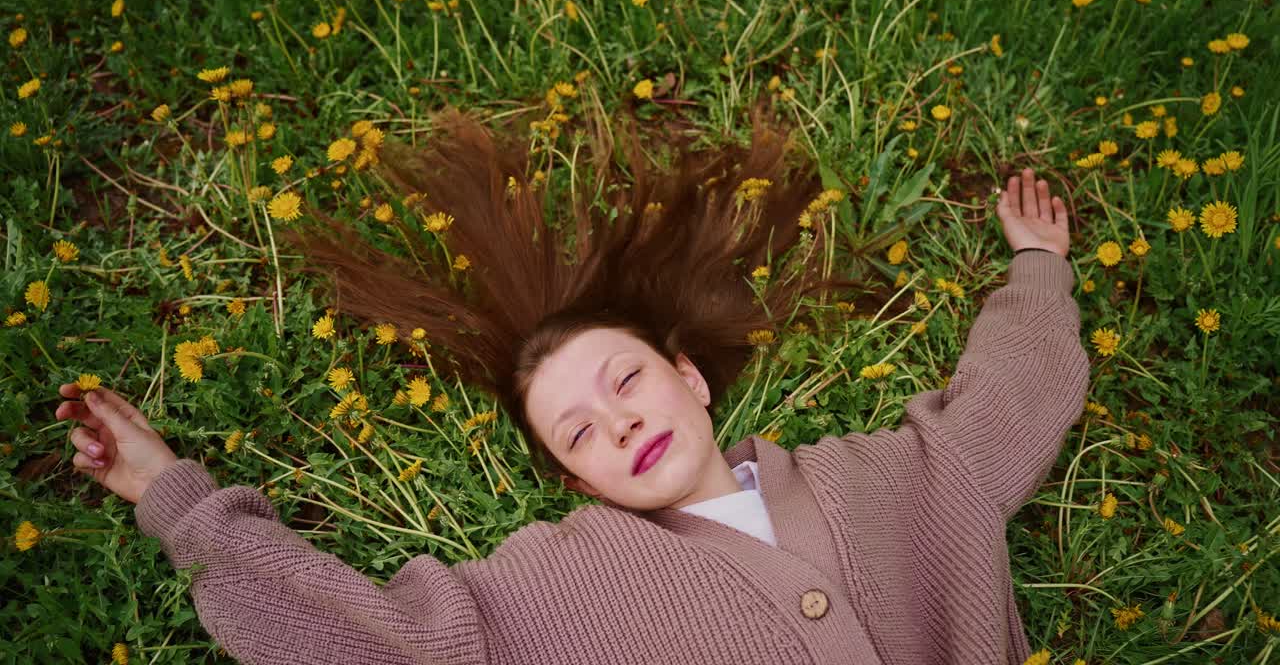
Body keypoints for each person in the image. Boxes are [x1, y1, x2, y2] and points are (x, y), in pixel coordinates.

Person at [58, 104, 1087, 664]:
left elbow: (1007, 404)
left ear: (687, 376)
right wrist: (172, 500)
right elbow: (371, 642)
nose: (619, 419)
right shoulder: (555, 587)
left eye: (626, 378)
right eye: (579, 434)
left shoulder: (885, 477)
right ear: (579, 487)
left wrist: (1037, 269)